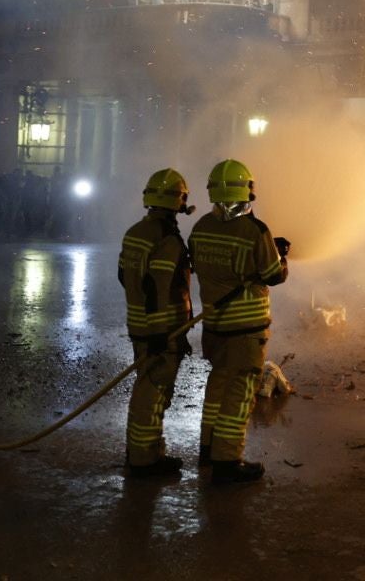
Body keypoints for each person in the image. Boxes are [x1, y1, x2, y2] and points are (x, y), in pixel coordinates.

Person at [190, 158, 289, 485]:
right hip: (246, 330)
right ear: (247, 190)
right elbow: (273, 276)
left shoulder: (202, 226)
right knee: (239, 392)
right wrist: (281, 255)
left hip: (215, 326)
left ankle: (207, 448)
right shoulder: (254, 230)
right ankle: (227, 461)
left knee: (217, 385)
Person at [118, 168, 196, 478]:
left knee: (147, 389)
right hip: (161, 331)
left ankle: (146, 452)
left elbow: (125, 276)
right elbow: (160, 286)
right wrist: (161, 332)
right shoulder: (167, 239)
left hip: (140, 326)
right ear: (179, 200)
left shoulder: (135, 232)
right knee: (153, 394)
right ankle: (143, 461)